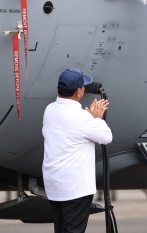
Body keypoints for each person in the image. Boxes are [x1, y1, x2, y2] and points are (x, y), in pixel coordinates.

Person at [42, 68, 112, 233]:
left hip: (55, 185)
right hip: (75, 188)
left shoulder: (50, 110)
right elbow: (107, 137)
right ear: (79, 92)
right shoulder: (81, 118)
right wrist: (97, 119)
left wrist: (90, 119)